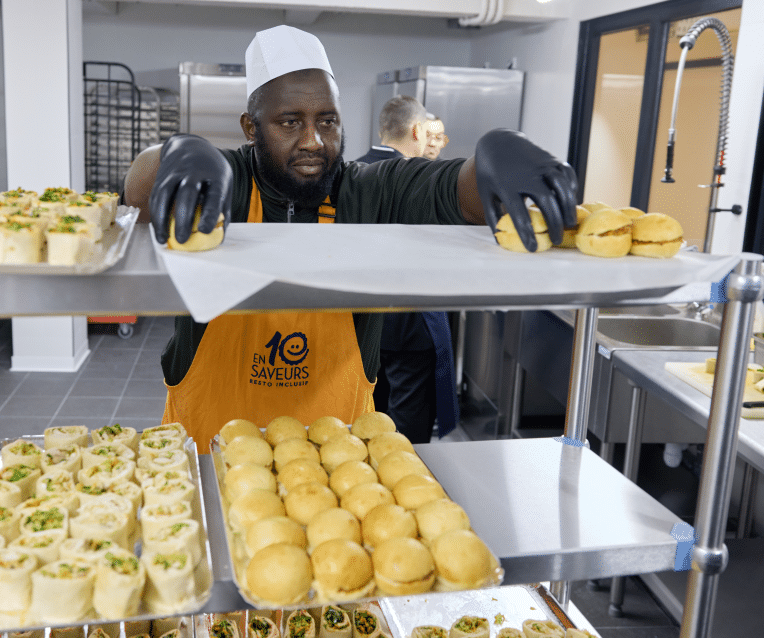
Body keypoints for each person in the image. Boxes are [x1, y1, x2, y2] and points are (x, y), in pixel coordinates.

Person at [123, 25, 577, 451]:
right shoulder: (225, 182)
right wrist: (174, 153)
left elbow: (456, 191)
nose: (313, 141)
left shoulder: (368, 189)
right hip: (209, 456)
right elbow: (140, 189)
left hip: (335, 471)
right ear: (250, 127)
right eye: (289, 122)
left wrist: (495, 154)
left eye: (327, 121)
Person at [357, 98, 458, 444]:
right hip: (411, 325)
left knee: (363, 415)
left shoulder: (350, 172)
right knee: (408, 428)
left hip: (359, 323)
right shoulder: (423, 179)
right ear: (417, 130)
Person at [358, 95, 432, 162]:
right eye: (426, 133)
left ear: (380, 132)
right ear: (416, 131)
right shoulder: (411, 174)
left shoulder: (353, 169)